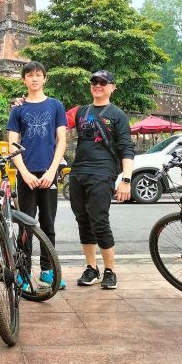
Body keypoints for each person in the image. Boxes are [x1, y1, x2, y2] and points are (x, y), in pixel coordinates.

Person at [67, 70, 135, 290]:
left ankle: (110, 270)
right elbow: (54, 119)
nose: (98, 85)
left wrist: (126, 179)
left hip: (103, 172)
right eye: (94, 82)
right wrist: (23, 104)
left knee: (99, 220)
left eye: (103, 82)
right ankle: (91, 268)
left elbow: (126, 147)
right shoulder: (81, 111)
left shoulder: (117, 114)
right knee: (83, 221)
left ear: (112, 87)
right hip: (78, 172)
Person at [7, 61, 68, 289]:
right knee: (26, 225)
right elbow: (13, 144)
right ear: (24, 80)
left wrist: (52, 170)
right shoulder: (18, 109)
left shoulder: (55, 106)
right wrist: (24, 173)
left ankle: (47, 272)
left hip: (49, 173)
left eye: (38, 75)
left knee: (48, 224)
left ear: (45, 78)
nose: (34, 79)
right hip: (26, 174)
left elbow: (61, 140)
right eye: (30, 75)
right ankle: (23, 272)